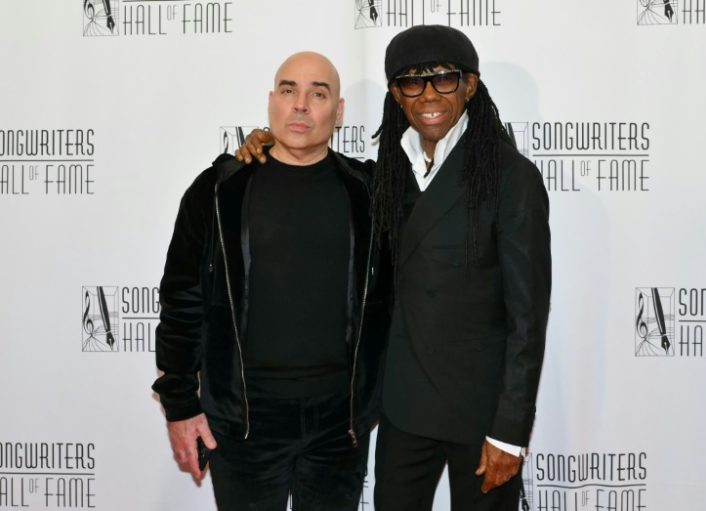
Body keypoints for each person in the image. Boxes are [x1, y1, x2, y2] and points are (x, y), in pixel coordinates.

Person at [238, 25, 550, 511]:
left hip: (480, 415)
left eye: (443, 79)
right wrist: (263, 147)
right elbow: (314, 165)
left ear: (470, 86)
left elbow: (528, 318)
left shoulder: (511, 178)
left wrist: (510, 433)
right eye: (412, 82)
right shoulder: (384, 175)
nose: (428, 95)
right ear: (395, 95)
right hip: (403, 410)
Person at [152, 51, 389, 511]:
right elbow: (182, 300)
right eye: (288, 91)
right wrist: (180, 405)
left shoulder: (369, 191)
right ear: (271, 102)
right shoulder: (219, 191)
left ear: (338, 112)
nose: (300, 105)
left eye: (318, 94)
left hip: (339, 427)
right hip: (243, 424)